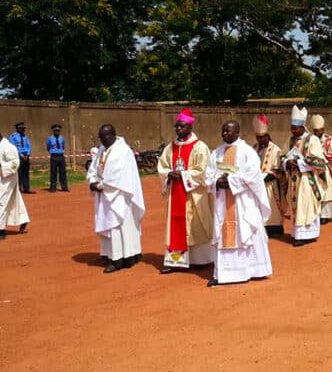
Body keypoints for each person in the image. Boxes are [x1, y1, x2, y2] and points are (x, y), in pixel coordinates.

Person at [205, 120, 272, 287]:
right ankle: (224, 273)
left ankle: (253, 269)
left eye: (228, 131)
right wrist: (216, 182)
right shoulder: (216, 153)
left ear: (237, 132)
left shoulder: (247, 152)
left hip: (243, 201)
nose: (224, 134)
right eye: (223, 131)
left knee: (246, 231)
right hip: (223, 202)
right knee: (224, 232)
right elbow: (208, 174)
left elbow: (253, 174)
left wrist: (231, 181)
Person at [157, 108, 215, 274]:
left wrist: (183, 175)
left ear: (190, 128)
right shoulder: (170, 147)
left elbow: (204, 171)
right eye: (177, 126)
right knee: (177, 226)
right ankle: (177, 261)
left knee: (197, 225)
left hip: (194, 195)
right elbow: (163, 166)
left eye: (182, 126)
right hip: (176, 193)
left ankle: (201, 260)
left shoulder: (200, 147)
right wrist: (169, 173)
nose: (178, 129)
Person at [87, 124, 145, 273]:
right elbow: (93, 168)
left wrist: (101, 185)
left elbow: (118, 176)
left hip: (119, 195)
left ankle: (119, 259)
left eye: (104, 137)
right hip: (105, 193)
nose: (102, 140)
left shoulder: (123, 151)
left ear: (112, 135)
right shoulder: (101, 150)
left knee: (117, 224)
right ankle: (110, 254)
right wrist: (92, 181)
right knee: (108, 223)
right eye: (100, 138)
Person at [282, 105, 327, 247]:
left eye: (296, 128)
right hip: (294, 179)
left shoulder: (312, 140)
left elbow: (319, 161)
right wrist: (287, 163)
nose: (293, 131)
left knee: (306, 205)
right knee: (297, 206)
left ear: (302, 127)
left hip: (308, 179)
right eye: (292, 127)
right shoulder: (290, 141)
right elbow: (282, 156)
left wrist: (299, 162)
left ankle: (308, 234)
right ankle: (298, 234)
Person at [252, 114, 285, 237]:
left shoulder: (275, 149)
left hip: (271, 183)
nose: (260, 140)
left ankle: (275, 228)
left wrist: (269, 175)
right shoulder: (254, 148)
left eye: (262, 137)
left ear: (267, 136)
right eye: (258, 137)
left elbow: (279, 168)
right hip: (258, 183)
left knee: (272, 206)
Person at [311, 114, 332, 225]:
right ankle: (317, 213)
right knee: (317, 191)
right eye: (315, 131)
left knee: (327, 192)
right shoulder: (311, 139)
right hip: (315, 169)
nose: (317, 133)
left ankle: (326, 215)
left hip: (326, 169)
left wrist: (325, 156)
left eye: (319, 130)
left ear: (323, 130)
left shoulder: (330, 139)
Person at [0, 132, 30, 239]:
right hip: (2, 178)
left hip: (7, 177)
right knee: (13, 199)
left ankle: (1, 230)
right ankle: (23, 219)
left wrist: (2, 168)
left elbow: (15, 162)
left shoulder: (8, 147)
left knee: (1, 201)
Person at [9, 122, 34, 194]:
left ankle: (26, 188)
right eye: (21, 128)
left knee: (26, 173)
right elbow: (13, 147)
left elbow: (29, 145)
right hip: (18, 157)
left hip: (26, 156)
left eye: (24, 128)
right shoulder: (13, 136)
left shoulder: (25, 137)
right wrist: (21, 155)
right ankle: (18, 189)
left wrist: (28, 154)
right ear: (17, 128)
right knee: (19, 173)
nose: (23, 130)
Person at [46, 123, 69, 192]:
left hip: (61, 156)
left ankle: (64, 186)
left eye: (58, 130)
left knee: (63, 172)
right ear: (53, 131)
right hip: (54, 156)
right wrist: (52, 152)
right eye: (55, 130)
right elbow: (48, 147)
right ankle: (53, 187)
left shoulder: (62, 138)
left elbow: (63, 146)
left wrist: (60, 152)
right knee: (53, 172)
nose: (57, 132)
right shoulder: (50, 139)